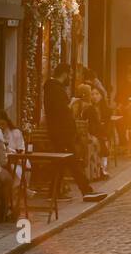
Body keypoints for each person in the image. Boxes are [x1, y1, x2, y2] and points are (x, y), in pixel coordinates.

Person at [44, 64, 109, 201]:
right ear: (65, 74)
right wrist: (71, 103)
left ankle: (54, 193)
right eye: (70, 74)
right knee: (73, 163)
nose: (71, 78)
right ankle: (86, 191)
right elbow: (61, 111)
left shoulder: (53, 88)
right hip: (62, 133)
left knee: (61, 163)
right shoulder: (55, 89)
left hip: (60, 132)